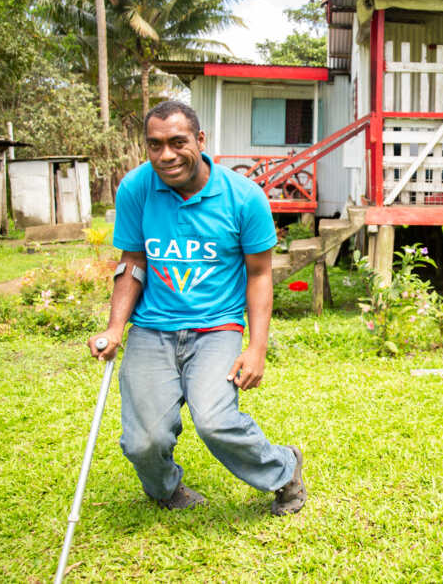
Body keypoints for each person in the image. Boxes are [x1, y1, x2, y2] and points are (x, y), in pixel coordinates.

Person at [87, 100, 305, 516]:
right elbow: (132, 261)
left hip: (216, 328)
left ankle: (284, 469)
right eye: (154, 145)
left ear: (200, 141)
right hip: (152, 328)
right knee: (143, 442)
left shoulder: (243, 197)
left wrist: (256, 348)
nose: (165, 155)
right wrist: (115, 328)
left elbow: (259, 274)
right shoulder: (136, 188)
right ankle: (167, 490)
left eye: (176, 142)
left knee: (215, 421)